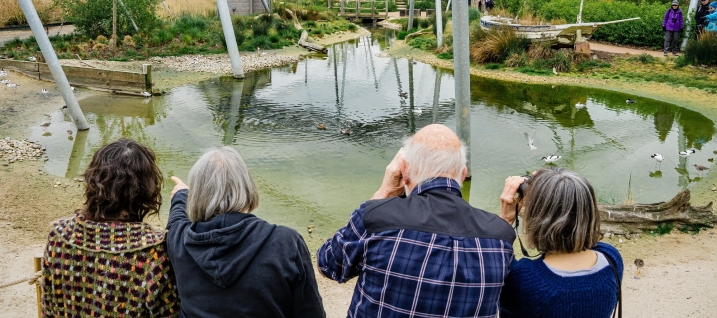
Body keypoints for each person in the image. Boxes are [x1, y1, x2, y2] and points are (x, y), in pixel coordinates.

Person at [317, 124, 516, 318]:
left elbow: (329, 265)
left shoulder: (376, 217)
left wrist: (384, 193)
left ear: (403, 171)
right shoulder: (500, 238)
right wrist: (505, 222)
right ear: (463, 174)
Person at [167, 147, 325, 318]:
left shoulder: (179, 241)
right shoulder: (286, 243)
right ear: (247, 186)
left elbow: (176, 220)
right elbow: (311, 312)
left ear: (196, 197)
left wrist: (181, 195)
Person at [42, 139, 179, 317]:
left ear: (93, 180)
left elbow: (49, 304)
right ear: (146, 188)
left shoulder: (59, 234)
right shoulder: (153, 250)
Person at [498, 168, 624, 318]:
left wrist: (504, 222)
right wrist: (560, 183)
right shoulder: (612, 259)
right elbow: (586, 235)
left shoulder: (521, 280)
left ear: (536, 218)